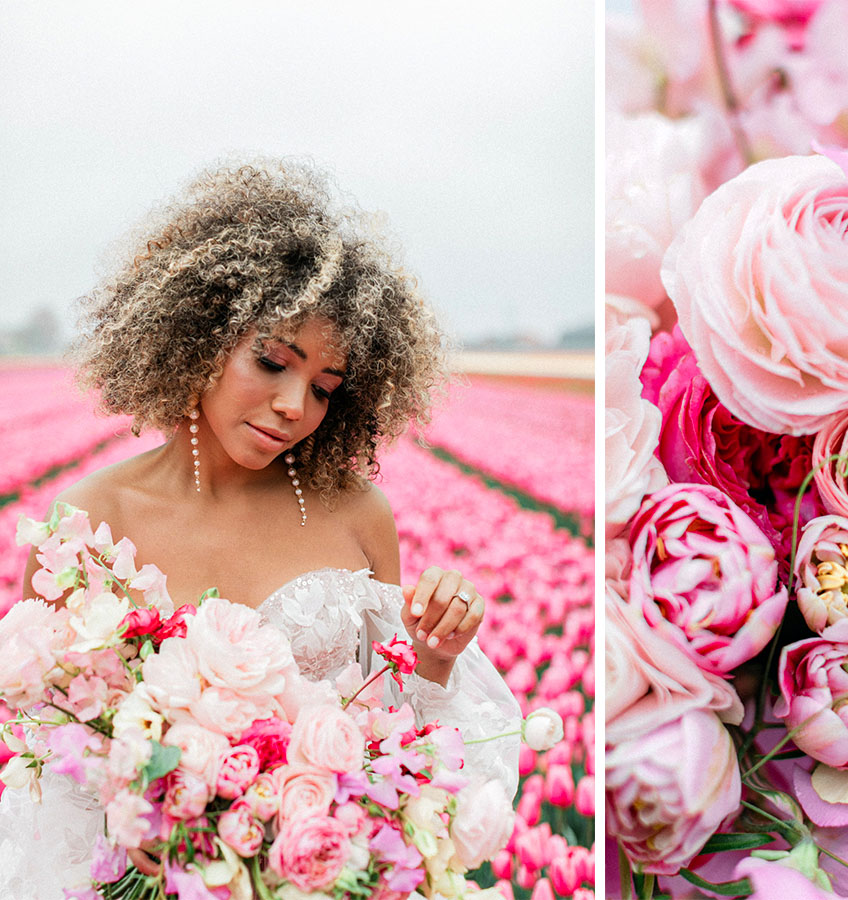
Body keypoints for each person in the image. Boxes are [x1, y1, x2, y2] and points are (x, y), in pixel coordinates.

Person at [0, 159, 521, 897]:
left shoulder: (358, 517)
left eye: (323, 389)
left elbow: (394, 741)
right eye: (272, 361)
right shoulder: (87, 525)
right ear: (203, 334)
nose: (293, 406)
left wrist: (435, 658)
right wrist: (136, 811)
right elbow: (45, 757)